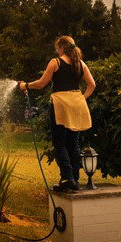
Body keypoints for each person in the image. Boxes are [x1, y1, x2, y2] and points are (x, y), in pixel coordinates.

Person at [19, 35, 95, 191]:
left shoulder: (56, 62)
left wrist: (25, 85)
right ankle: (74, 179)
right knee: (73, 142)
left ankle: (67, 179)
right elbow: (92, 85)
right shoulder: (80, 64)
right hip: (76, 105)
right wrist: (82, 98)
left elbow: (41, 84)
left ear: (61, 48)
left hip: (60, 105)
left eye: (57, 48)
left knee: (59, 142)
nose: (57, 51)